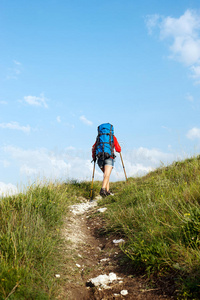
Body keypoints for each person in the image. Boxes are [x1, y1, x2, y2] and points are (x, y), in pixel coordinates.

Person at [92, 124, 121, 197]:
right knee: (106, 175)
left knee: (106, 175)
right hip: (109, 158)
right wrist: (119, 150)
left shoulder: (99, 138)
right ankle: (103, 189)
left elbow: (93, 148)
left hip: (100, 159)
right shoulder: (112, 137)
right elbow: (118, 149)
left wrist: (94, 158)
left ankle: (107, 192)